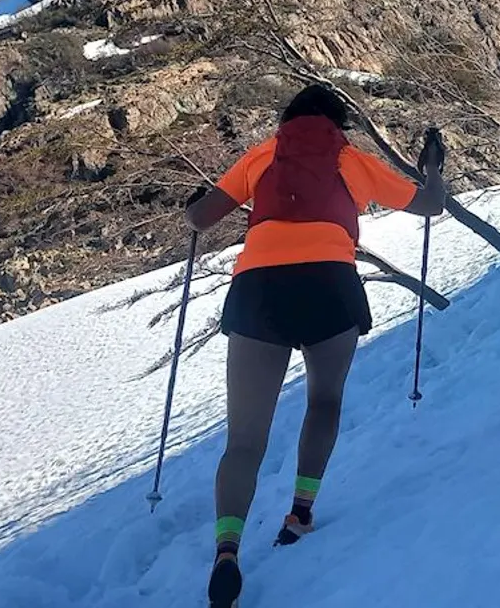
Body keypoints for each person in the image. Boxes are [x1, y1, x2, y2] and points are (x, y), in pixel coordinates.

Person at [184, 82, 447, 608]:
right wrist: (433, 166)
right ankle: (300, 514)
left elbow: (200, 217)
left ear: (289, 120)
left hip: (259, 290)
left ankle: (228, 551)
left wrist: (197, 203)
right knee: (324, 400)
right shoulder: (351, 160)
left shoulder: (262, 155)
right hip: (331, 285)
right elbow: (430, 206)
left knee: (244, 440)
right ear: (337, 123)